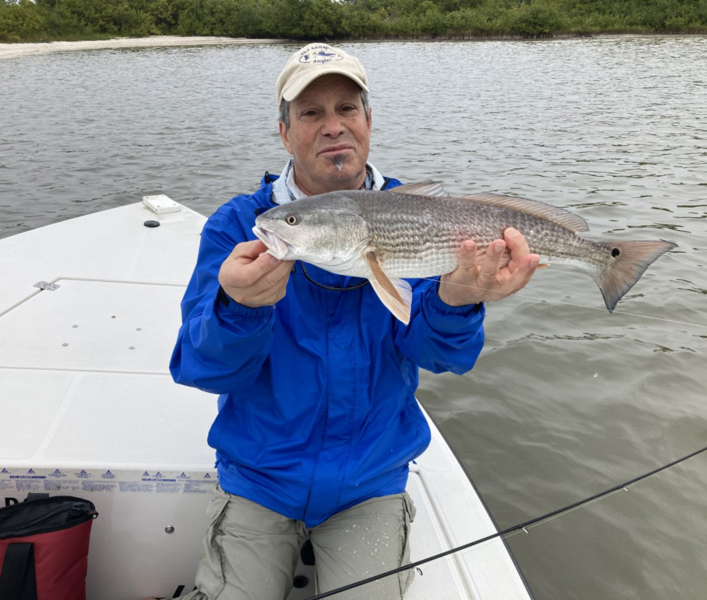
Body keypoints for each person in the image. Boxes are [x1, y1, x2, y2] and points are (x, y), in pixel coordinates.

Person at [165, 43, 539, 600]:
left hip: (371, 480)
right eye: (311, 113)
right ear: (285, 132)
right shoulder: (243, 226)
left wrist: (457, 300)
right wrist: (240, 310)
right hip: (260, 476)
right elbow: (201, 369)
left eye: (348, 109)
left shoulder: (416, 219)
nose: (333, 127)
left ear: (368, 122)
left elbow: (442, 358)